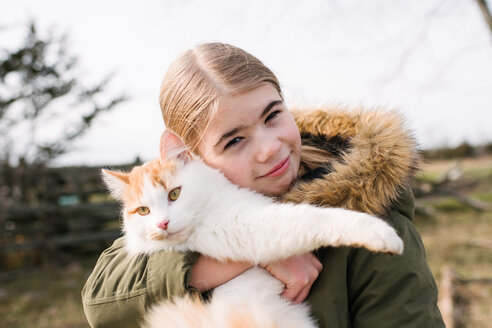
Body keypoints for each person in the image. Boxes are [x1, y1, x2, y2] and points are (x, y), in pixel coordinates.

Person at [82, 42, 444, 328]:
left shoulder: (371, 219)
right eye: (234, 141)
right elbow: (101, 300)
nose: (270, 147)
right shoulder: (178, 215)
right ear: (192, 161)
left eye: (273, 115)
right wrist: (234, 257)